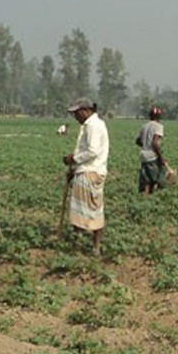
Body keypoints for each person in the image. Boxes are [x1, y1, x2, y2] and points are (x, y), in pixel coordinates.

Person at [63, 97, 109, 255]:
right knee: (80, 211)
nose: (75, 117)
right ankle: (80, 244)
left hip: (91, 172)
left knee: (92, 210)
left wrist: (73, 159)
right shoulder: (89, 125)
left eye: (77, 113)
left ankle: (92, 246)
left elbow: (92, 151)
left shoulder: (94, 126)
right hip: (86, 170)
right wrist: (74, 169)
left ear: (86, 111)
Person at [135, 105, 167, 194]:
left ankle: (145, 195)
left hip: (143, 155)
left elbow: (138, 141)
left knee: (146, 179)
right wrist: (161, 157)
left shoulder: (144, 126)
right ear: (159, 116)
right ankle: (155, 193)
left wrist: (145, 145)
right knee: (157, 176)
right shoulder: (158, 126)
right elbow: (155, 142)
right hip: (152, 155)